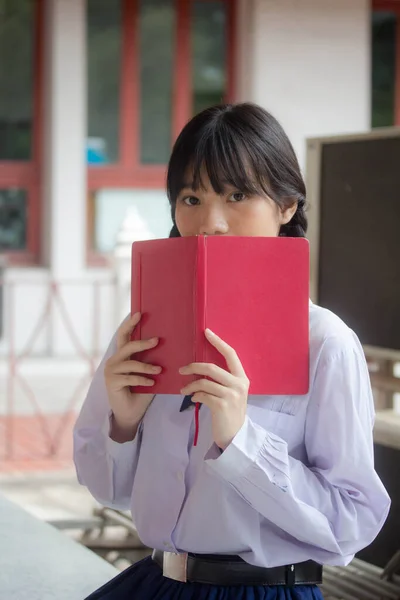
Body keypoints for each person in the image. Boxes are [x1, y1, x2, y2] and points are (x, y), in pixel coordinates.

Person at [74, 103, 390, 600]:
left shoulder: (325, 342)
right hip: (159, 582)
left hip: (265, 592)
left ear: (286, 206)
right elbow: (105, 490)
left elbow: (353, 520)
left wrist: (242, 441)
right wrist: (124, 425)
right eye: (191, 198)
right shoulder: (144, 326)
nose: (210, 223)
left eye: (237, 195)